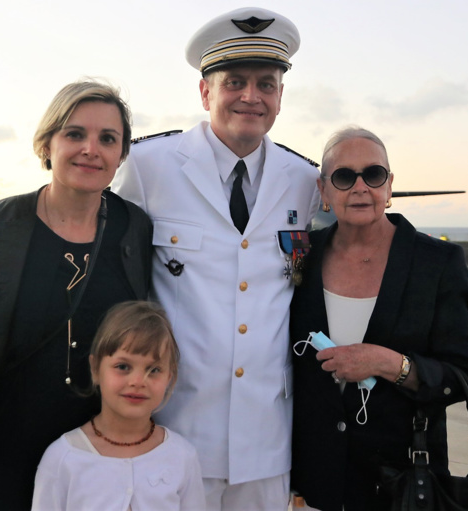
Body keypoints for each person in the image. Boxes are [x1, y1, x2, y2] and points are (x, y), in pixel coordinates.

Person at [111, 7, 321, 510]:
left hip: (268, 442)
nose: (251, 96)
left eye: (266, 84)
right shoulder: (147, 166)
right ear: (205, 92)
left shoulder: (304, 180)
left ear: (280, 97)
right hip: (173, 428)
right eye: (235, 82)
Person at [0, 80, 153, 510]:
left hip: (92, 457)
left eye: (108, 139)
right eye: (75, 134)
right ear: (47, 143)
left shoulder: (135, 229)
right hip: (0, 457)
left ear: (121, 155)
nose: (91, 149)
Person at [289, 126, 468, 511]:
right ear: (323, 191)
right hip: (313, 481)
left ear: (388, 185)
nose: (360, 187)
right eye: (344, 177)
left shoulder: (438, 263)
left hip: (402, 484)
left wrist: (388, 363)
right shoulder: (301, 257)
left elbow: (461, 376)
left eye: (373, 174)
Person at [32, 300, 206, 510]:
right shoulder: (63, 458)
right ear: (95, 368)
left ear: (170, 376)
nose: (138, 381)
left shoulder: (182, 456)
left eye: (154, 370)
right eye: (123, 366)